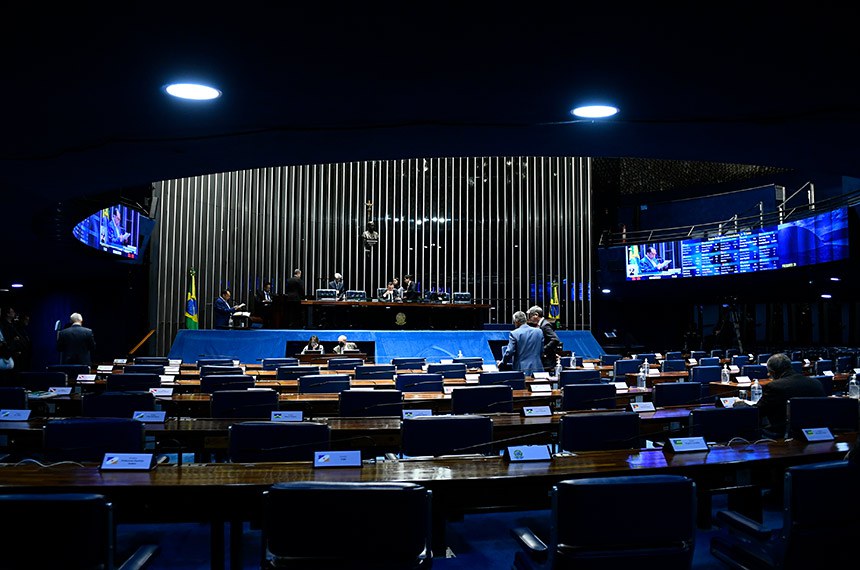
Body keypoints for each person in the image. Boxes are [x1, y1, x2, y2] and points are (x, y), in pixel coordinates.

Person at [754, 353, 827, 437]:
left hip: (785, 434)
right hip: (817, 433)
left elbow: (758, 412)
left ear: (773, 372)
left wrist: (743, 405)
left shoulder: (774, 386)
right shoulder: (816, 383)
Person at [498, 310, 544, 376]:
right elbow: (541, 351)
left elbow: (510, 351)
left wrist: (503, 362)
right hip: (538, 368)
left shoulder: (514, 333)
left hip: (522, 369)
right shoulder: (539, 332)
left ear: (516, 322)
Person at [527, 305, 562, 371]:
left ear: (536, 315)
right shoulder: (541, 325)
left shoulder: (545, 325)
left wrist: (543, 350)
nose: (530, 318)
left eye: (530, 316)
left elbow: (555, 339)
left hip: (547, 360)